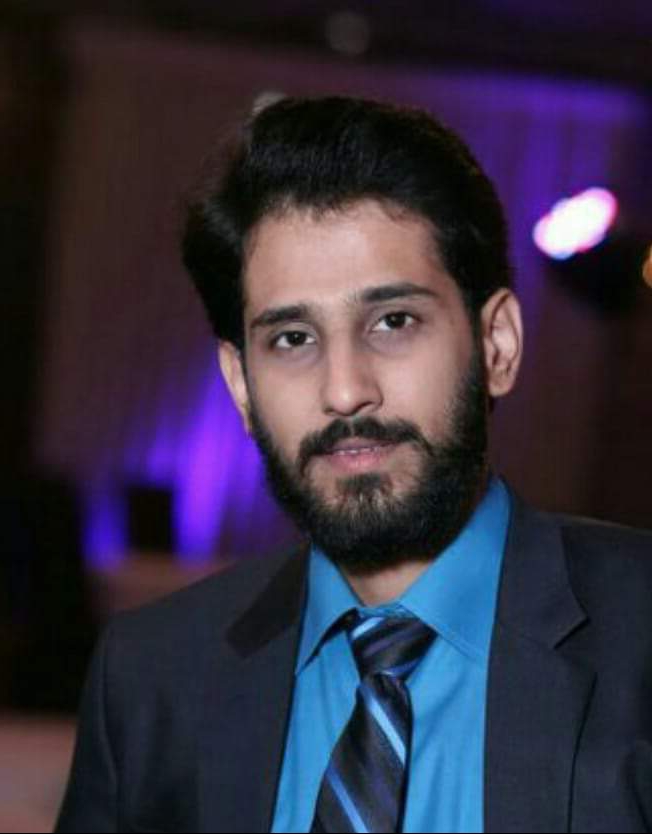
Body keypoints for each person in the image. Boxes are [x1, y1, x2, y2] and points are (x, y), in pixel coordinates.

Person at [55, 95, 652, 834]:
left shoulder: (639, 636)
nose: (344, 391)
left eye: (393, 322)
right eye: (293, 338)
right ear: (241, 385)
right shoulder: (151, 678)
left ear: (496, 344)